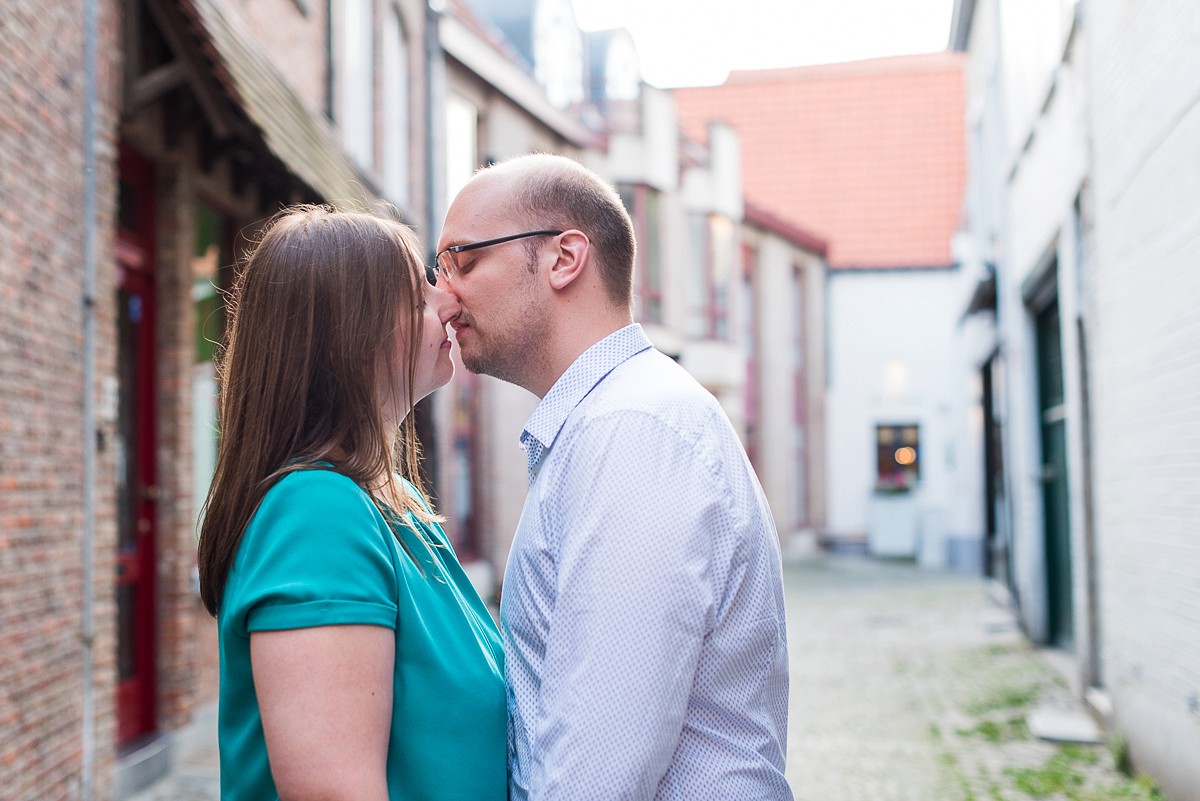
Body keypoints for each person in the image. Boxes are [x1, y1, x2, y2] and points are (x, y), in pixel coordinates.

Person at [433, 154, 793, 800]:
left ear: (564, 259)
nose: (443, 295)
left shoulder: (631, 430)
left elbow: (598, 768)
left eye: (463, 260)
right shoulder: (612, 423)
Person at [197, 206, 506, 801]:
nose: (448, 304)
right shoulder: (316, 512)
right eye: (419, 295)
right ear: (348, 335)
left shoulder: (396, 502)